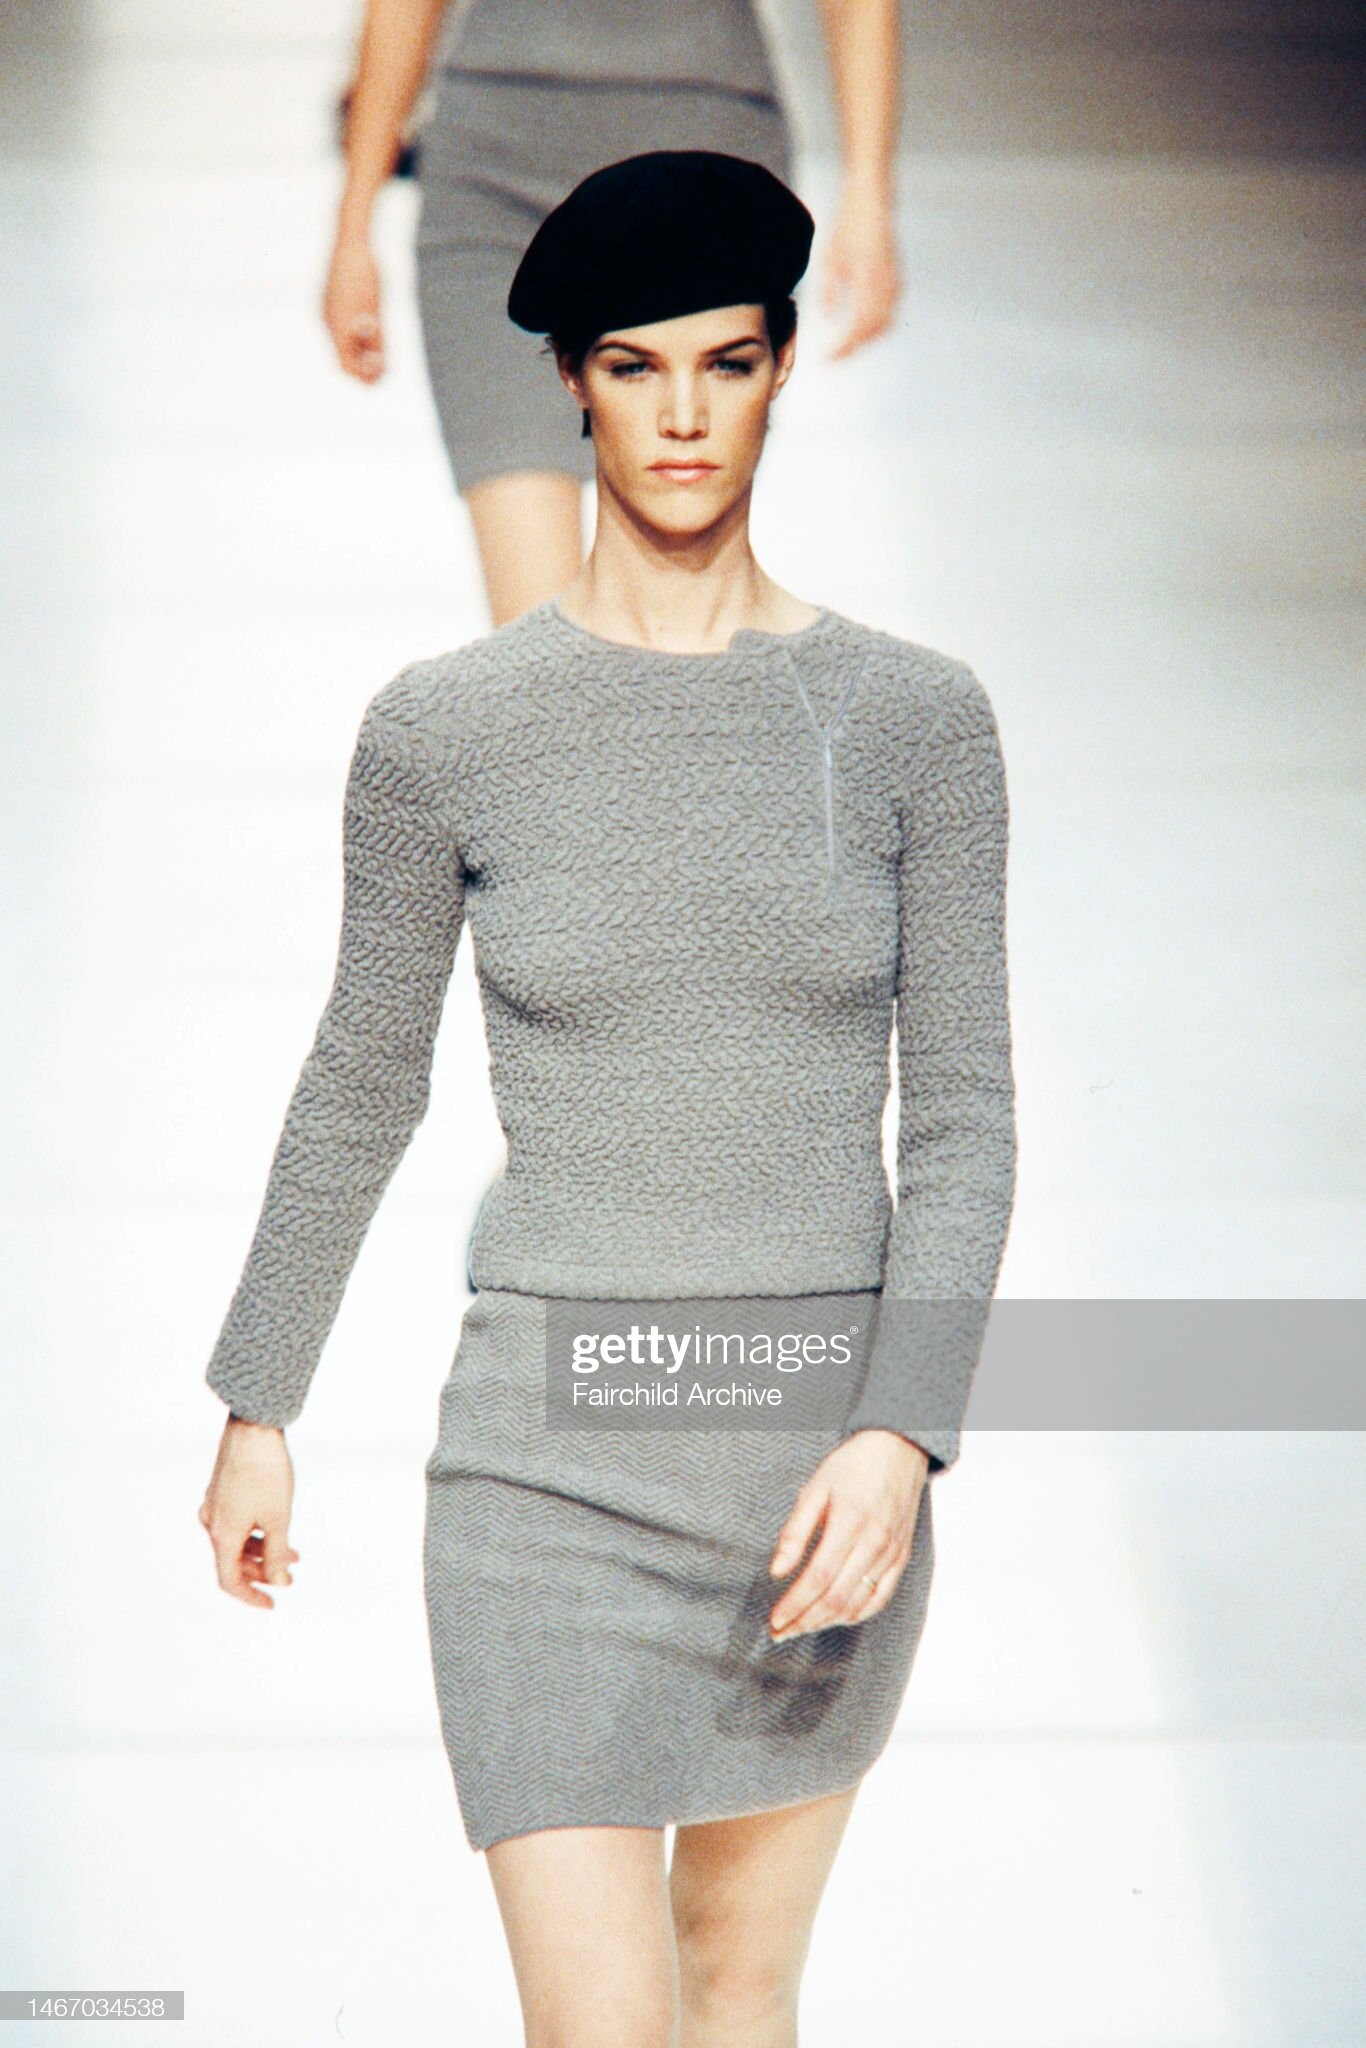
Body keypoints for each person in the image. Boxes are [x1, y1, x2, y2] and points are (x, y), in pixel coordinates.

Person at [202, 151, 1017, 2047]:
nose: (681, 415)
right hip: (542, 1467)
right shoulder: (447, 729)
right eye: (634, 368)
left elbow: (963, 1118)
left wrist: (903, 1431)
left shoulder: (917, 720)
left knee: (737, 1985)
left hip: (809, 1464)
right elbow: (358, 1081)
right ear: (570, 382)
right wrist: (259, 1403)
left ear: (782, 368)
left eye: (722, 364)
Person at [323, 0, 904, 625]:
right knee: (534, 630)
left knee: (674, 600)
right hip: (496, 169)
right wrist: (353, 229)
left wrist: (870, 194)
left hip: (705, 162)